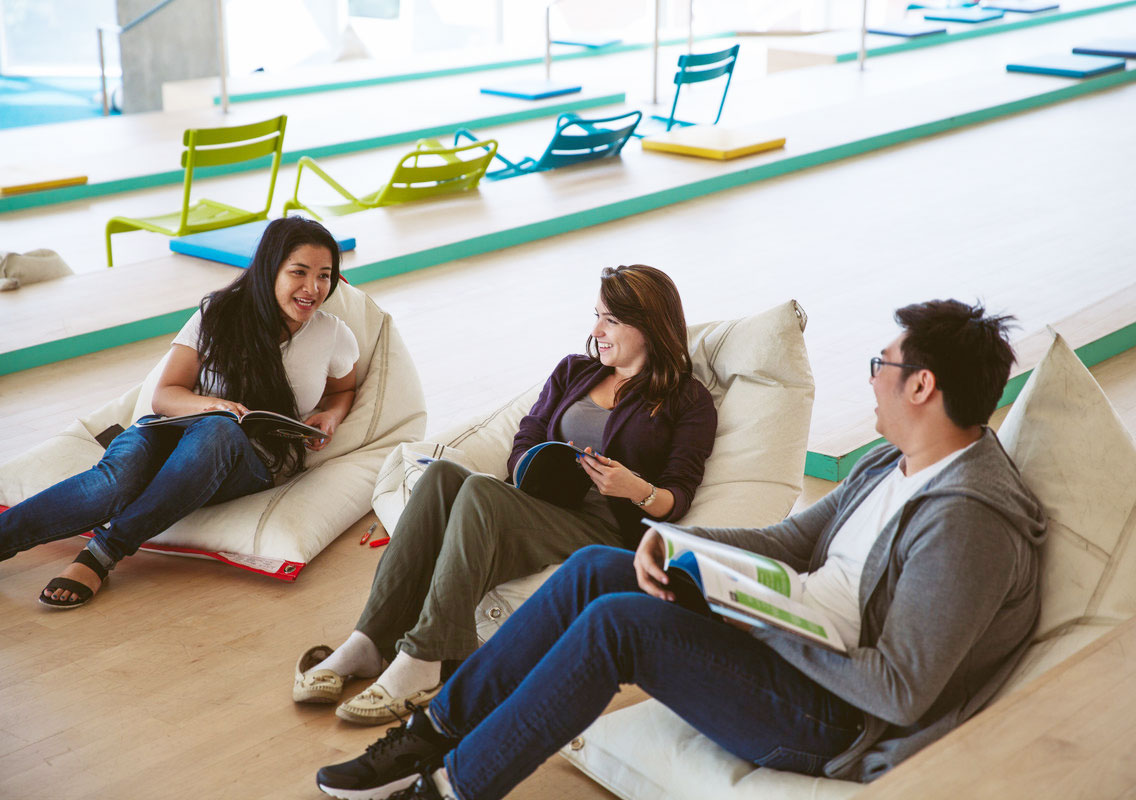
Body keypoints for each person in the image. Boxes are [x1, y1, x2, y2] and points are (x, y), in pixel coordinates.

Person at [312, 299, 1047, 800]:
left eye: (880, 367)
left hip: (831, 721)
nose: (873, 380)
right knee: (595, 570)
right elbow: (794, 540)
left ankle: (452, 788)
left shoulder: (967, 522)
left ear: (921, 386)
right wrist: (674, 543)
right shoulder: (893, 462)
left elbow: (899, 691)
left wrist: (757, 611)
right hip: (790, 642)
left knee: (618, 626)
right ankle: (433, 731)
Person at [294, 264, 717, 731]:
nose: (597, 331)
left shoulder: (686, 400)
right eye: (596, 315)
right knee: (440, 477)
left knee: (478, 489)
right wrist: (535, 466)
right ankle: (369, 640)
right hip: (542, 501)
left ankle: (427, 657)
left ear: (649, 325)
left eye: (611, 321)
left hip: (602, 527)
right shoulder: (574, 371)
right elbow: (528, 435)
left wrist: (636, 489)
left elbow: (679, 494)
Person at [0, 217, 359, 609]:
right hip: (168, 429)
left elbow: (343, 388)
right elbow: (165, 395)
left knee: (218, 432)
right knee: (116, 482)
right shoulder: (218, 315)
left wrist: (331, 415)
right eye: (299, 272)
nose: (313, 288)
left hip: (249, 461)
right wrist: (213, 406)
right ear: (269, 269)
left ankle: (100, 554)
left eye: (324, 276)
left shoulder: (332, 333)